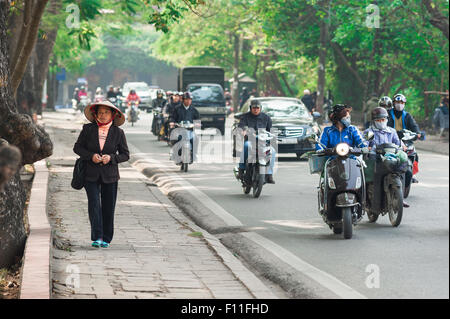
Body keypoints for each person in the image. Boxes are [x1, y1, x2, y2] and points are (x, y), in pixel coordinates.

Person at [73, 100, 129, 248]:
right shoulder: (88, 129)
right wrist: (91, 155)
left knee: (108, 206)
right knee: (94, 205)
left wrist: (111, 158)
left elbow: (125, 155)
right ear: (95, 114)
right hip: (90, 174)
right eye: (100, 112)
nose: (103, 115)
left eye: (106, 112)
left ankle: (106, 237)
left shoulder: (118, 132)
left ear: (112, 115)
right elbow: (77, 148)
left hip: (110, 175)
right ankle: (97, 236)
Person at [364, 107, 409, 208]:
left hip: (390, 157)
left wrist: (402, 146)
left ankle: (400, 198)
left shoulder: (392, 131)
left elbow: (397, 143)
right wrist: (367, 147)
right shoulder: (369, 131)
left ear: (386, 120)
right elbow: (365, 143)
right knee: (371, 179)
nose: (381, 122)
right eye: (378, 120)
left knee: (402, 169)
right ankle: (368, 201)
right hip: (375, 159)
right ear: (374, 121)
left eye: (383, 120)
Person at [237, 99, 276, 184]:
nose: (255, 109)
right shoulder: (245, 117)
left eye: (257, 108)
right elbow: (241, 126)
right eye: (254, 108)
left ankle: (269, 174)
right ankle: (241, 169)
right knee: (246, 145)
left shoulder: (266, 118)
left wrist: (273, 136)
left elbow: (270, 131)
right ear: (251, 108)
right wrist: (243, 131)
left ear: (260, 108)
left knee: (273, 151)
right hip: (251, 141)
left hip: (264, 143)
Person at [169, 92, 200, 163]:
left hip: (190, 130)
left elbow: (198, 119)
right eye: (186, 99)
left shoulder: (194, 110)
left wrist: (198, 124)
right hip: (179, 130)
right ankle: (174, 154)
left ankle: (194, 155)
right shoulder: (177, 109)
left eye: (190, 99)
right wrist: (172, 122)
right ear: (183, 100)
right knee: (175, 139)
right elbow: (172, 117)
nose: (188, 101)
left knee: (195, 138)